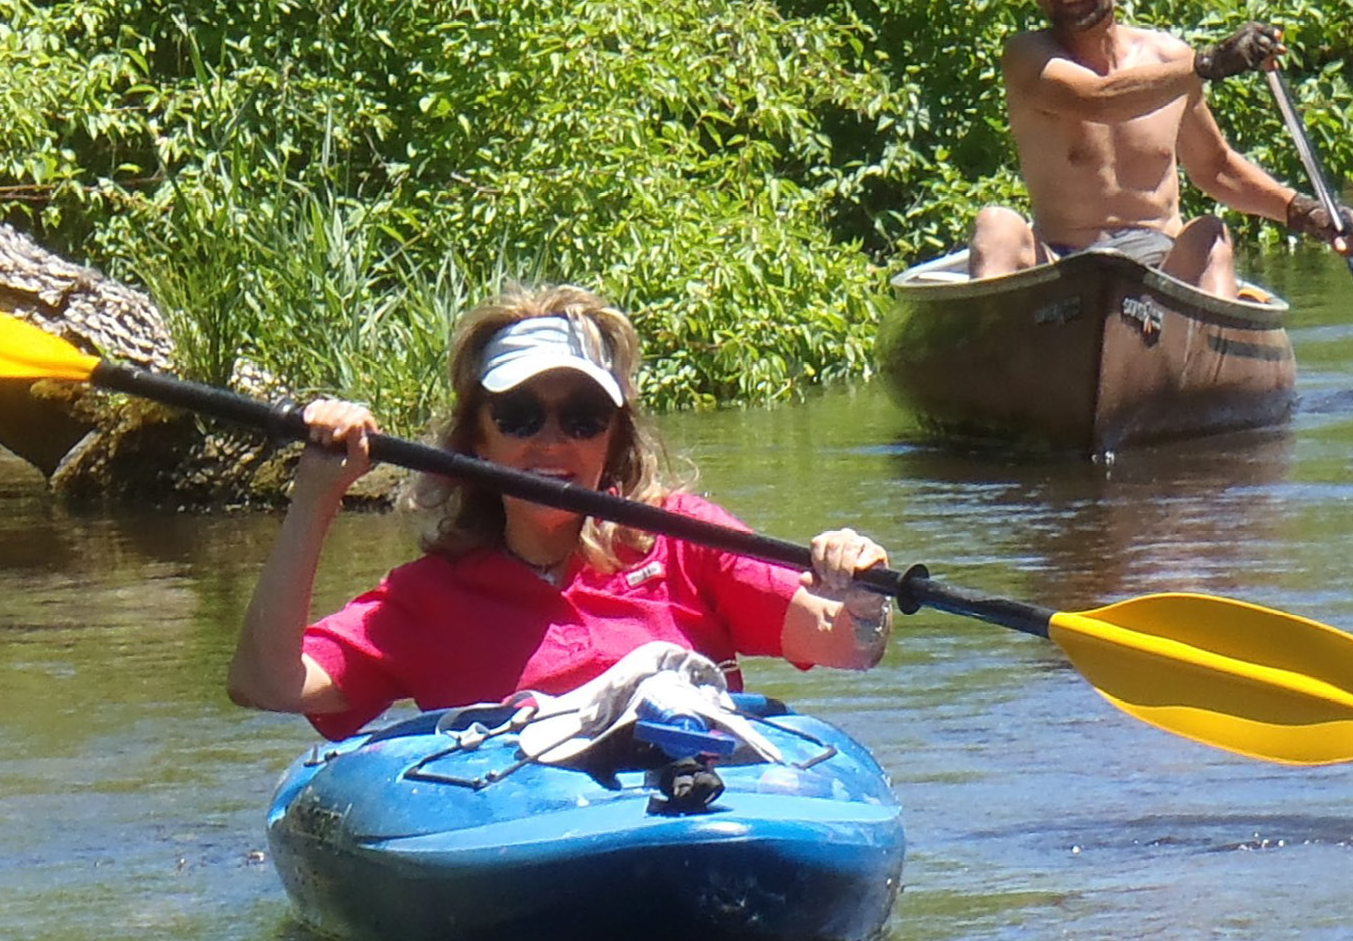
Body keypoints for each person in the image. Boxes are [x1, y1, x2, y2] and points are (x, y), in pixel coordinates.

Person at [227, 285, 894, 739]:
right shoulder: (425, 600)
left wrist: (860, 583)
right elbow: (266, 682)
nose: (551, 441)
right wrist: (316, 494)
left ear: (614, 439)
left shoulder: (685, 541)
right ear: (475, 437)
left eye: (581, 418)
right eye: (518, 416)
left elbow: (846, 643)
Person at [968, 0, 1353, 298]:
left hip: (1157, 263)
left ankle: (1209, 348)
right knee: (996, 225)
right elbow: (1099, 100)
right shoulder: (1026, 57)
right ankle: (990, 350)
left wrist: (1303, 211)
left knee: (1212, 235)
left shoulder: (1169, 60)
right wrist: (1209, 63)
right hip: (1060, 262)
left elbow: (1215, 167)